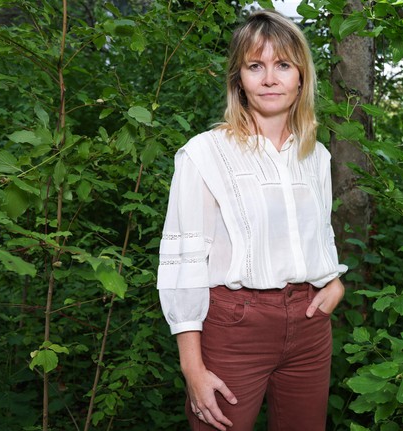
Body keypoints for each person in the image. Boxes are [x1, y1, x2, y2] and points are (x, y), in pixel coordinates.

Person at [157, 9, 347, 431]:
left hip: (311, 325)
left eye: (283, 65)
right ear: (238, 79)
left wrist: (334, 280)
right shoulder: (204, 154)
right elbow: (184, 262)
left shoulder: (316, 155)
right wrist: (192, 368)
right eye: (255, 66)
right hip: (234, 326)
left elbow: (321, 232)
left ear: (301, 77)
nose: (270, 78)